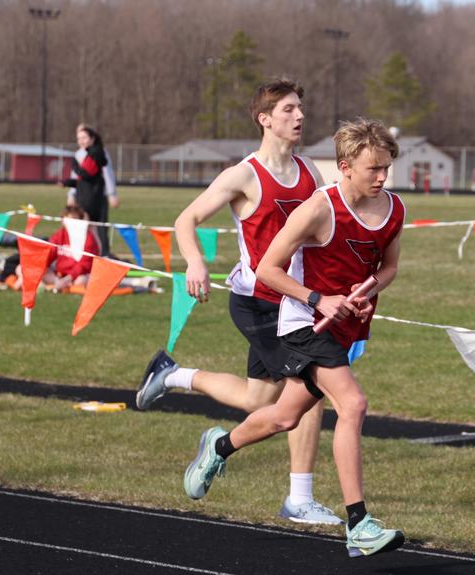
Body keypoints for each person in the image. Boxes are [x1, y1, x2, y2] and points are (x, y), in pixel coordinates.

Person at [182, 119, 406, 558]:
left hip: (344, 324)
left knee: (284, 416)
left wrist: (365, 293)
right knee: (352, 404)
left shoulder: (394, 208)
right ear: (345, 166)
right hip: (303, 321)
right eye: (373, 169)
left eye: (386, 168)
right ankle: (359, 523)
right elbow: (267, 269)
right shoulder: (319, 208)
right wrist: (319, 298)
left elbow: (389, 268)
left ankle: (219, 446)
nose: (382, 177)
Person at [135, 79, 341, 526]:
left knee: (258, 399)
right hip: (259, 302)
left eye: (301, 108)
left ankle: (173, 375)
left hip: (295, 301)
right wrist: (195, 263)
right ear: (265, 119)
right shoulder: (244, 175)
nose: (299, 116)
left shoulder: (312, 174)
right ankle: (298, 498)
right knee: (314, 385)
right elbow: (185, 219)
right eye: (288, 109)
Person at [11, 205, 100, 292]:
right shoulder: (59, 235)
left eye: (75, 219)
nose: (71, 223)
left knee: (80, 281)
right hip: (59, 276)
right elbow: (48, 254)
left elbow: (85, 264)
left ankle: (62, 285)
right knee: (24, 268)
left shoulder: (88, 238)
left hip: (79, 275)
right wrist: (34, 268)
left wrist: (68, 279)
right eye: (68, 220)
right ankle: (30, 282)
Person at [60, 124, 115, 256]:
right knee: (83, 227)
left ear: (92, 138)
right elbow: (80, 179)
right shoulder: (80, 154)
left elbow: (92, 174)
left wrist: (112, 193)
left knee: (98, 228)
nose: (81, 140)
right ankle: (85, 254)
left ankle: (103, 255)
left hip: (95, 197)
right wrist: (70, 190)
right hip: (83, 195)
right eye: (79, 138)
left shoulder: (97, 153)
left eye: (84, 137)